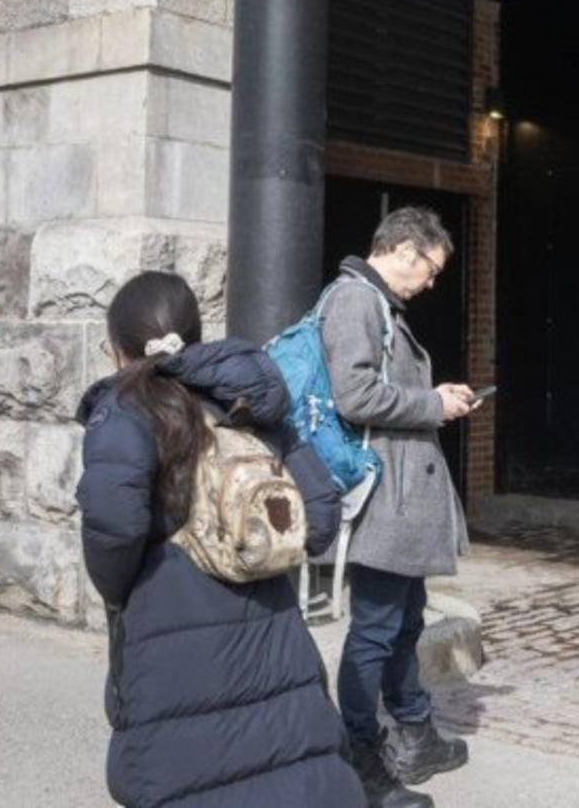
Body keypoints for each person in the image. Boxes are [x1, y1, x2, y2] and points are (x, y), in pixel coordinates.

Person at [76, 271, 364, 808]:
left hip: (169, 635)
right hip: (273, 632)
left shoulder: (124, 410)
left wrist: (122, 592)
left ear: (119, 350)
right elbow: (321, 516)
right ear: (194, 334)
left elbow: (113, 525)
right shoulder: (247, 404)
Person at [324, 207, 477, 807]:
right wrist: (432, 404)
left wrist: (437, 397)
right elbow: (354, 394)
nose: (432, 283)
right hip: (385, 500)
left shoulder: (377, 304)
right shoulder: (355, 300)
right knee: (375, 632)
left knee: (404, 622)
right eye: (431, 269)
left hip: (401, 499)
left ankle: (415, 732)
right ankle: (359, 756)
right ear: (406, 250)